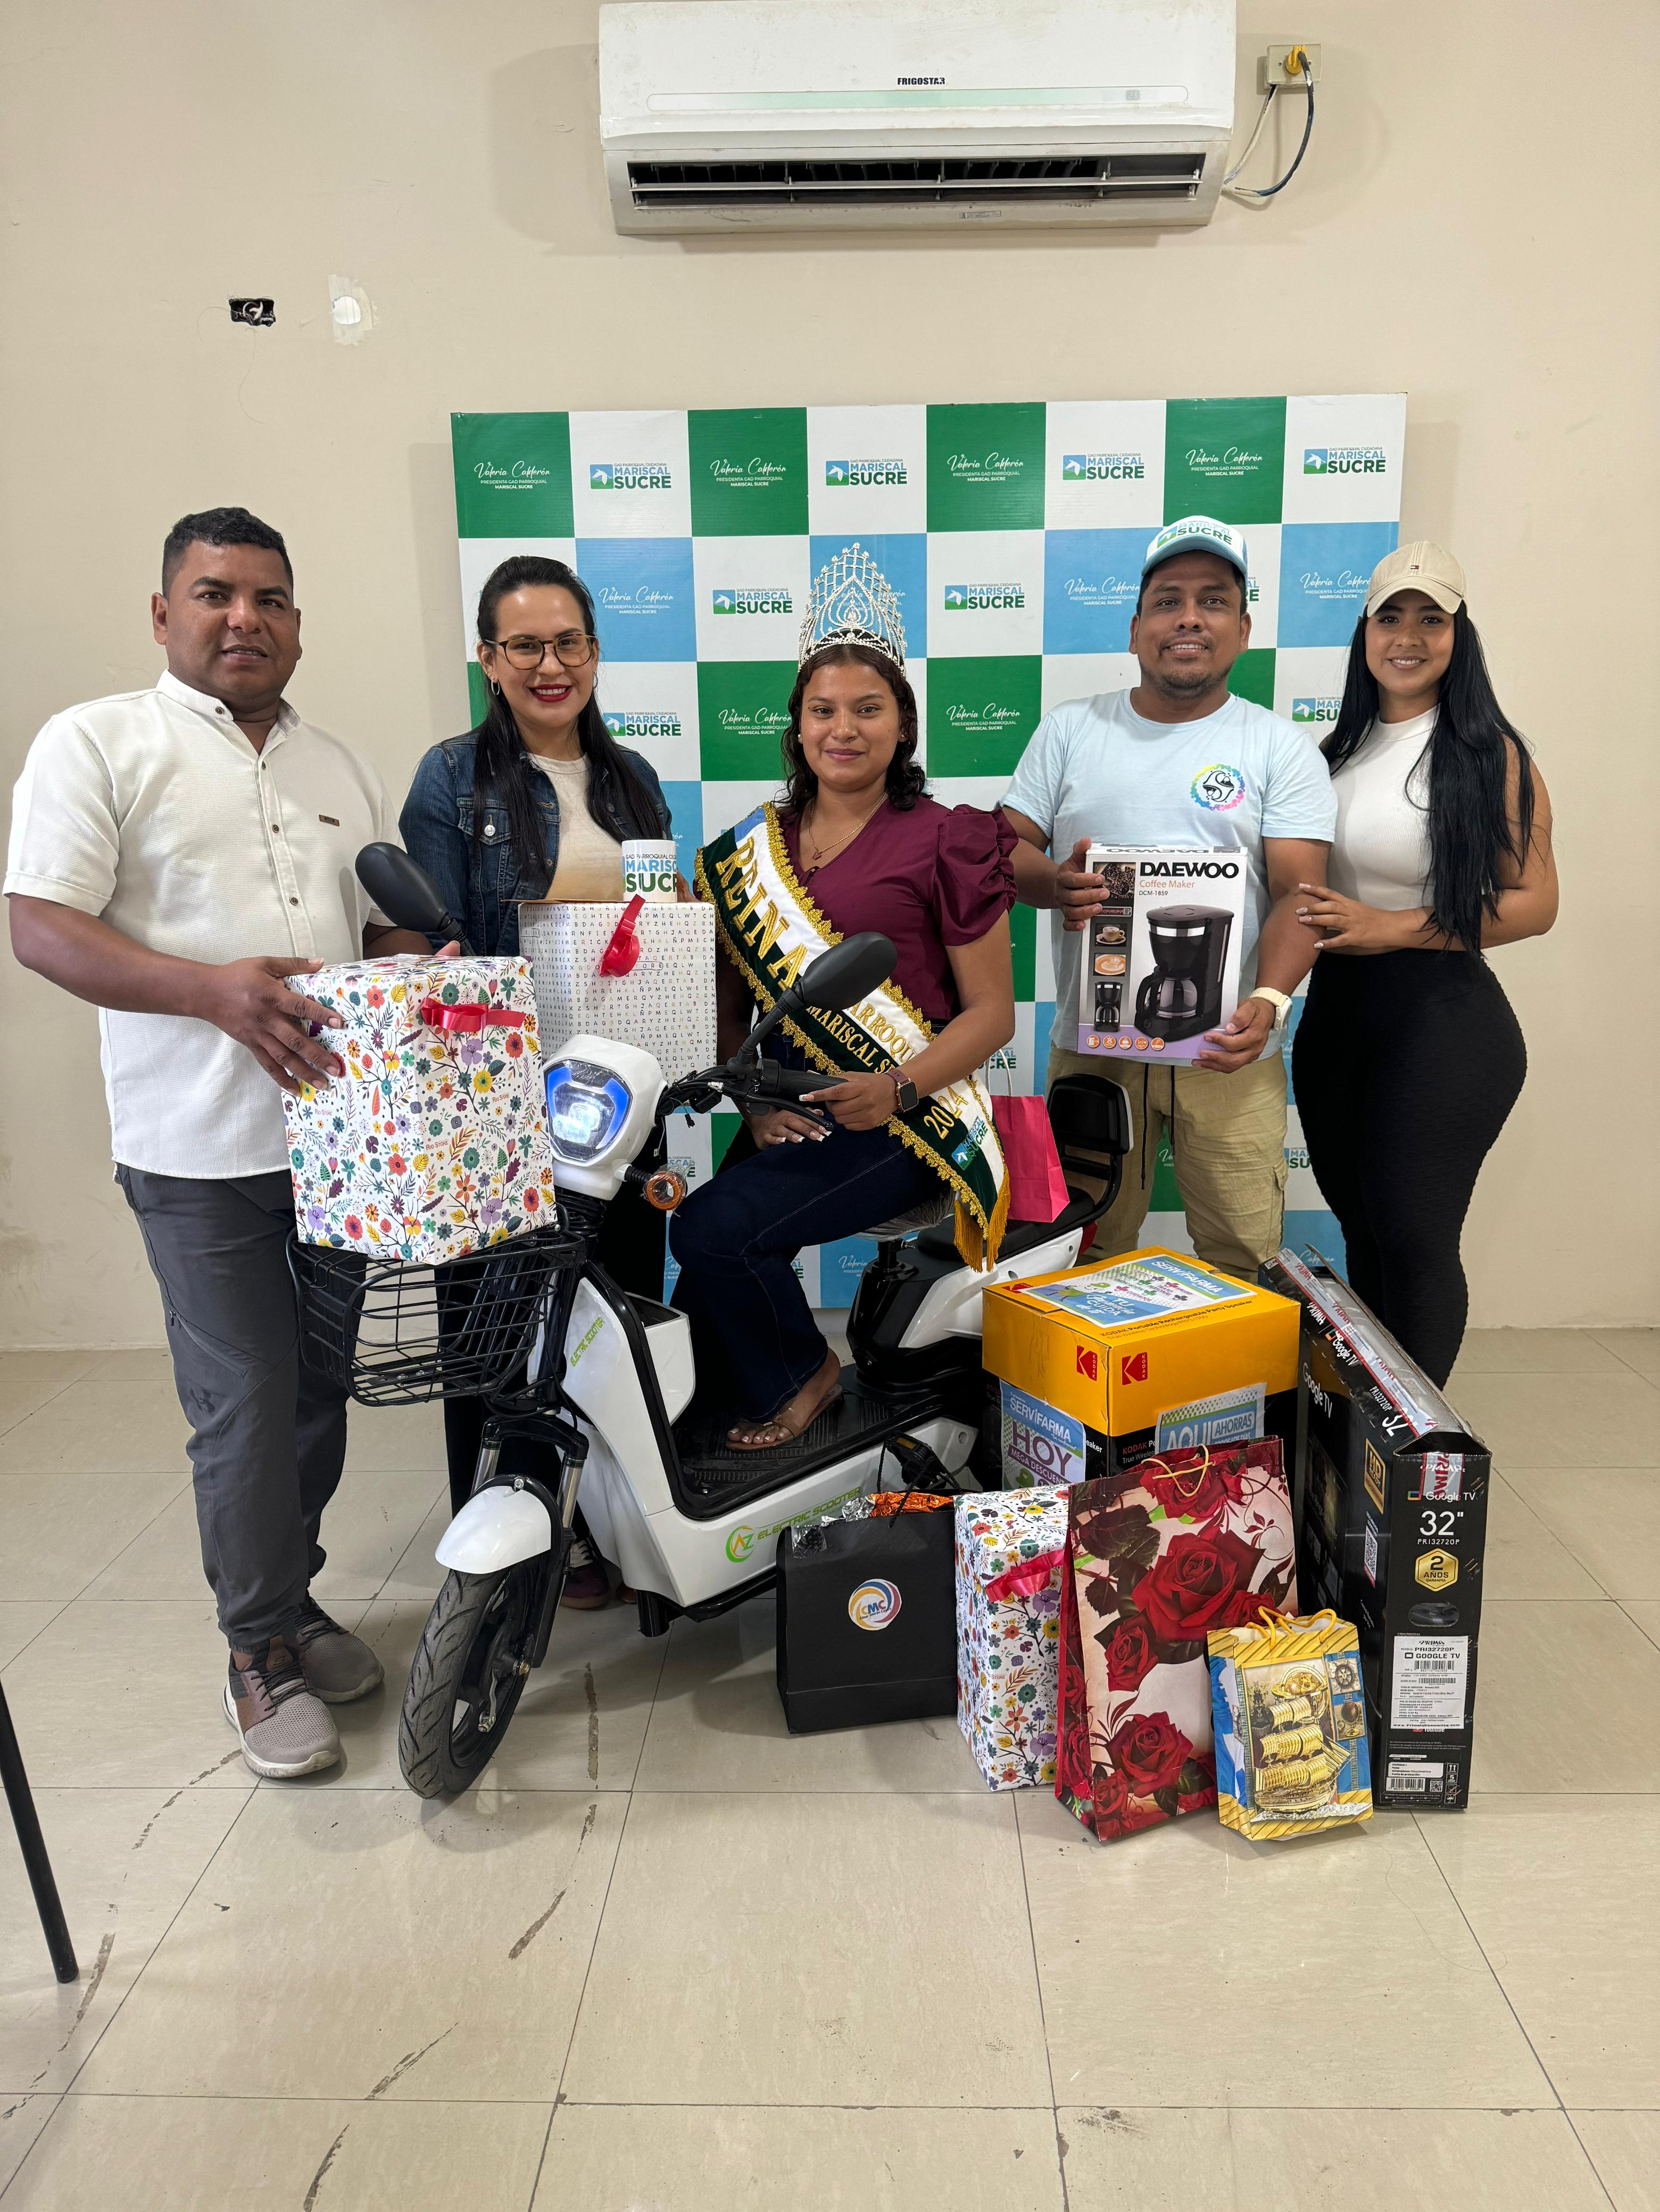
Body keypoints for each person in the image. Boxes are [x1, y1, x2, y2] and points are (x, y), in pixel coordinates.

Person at [5, 508, 441, 1780]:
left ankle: (291, 1600)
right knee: (245, 1399)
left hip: (341, 1148)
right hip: (196, 1148)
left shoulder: (337, 766)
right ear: (164, 613)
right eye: (214, 593)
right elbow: (41, 926)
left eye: (269, 598)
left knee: (318, 1389)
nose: (244, 618)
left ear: (297, 621)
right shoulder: (97, 742)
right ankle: (255, 1648)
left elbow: (374, 929)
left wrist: (421, 968)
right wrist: (213, 993)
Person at [674, 544, 1016, 1449]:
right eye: (823, 710)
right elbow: (733, 1008)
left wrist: (896, 1088)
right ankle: (705, 1432)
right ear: (796, 728)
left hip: (905, 1119)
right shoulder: (750, 849)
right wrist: (751, 1103)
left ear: (904, 725)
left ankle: (807, 1374)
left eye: (869, 709)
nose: (844, 729)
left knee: (712, 1231)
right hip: (788, 1110)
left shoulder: (950, 838)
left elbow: (992, 1013)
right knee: (702, 1271)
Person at [401, 554, 677, 1598]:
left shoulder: (632, 779)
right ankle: (506, 1545)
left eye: (568, 644)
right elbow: (425, 938)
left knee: (614, 1312)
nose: (549, 665)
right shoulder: (450, 778)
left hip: (624, 1095)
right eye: (525, 645)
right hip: (502, 1102)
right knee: (492, 1328)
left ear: (595, 653)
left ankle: (610, 1527)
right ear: (489, 658)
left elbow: (659, 929)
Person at [1002, 516, 1337, 1279]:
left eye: (1213, 601)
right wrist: (1054, 884)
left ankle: (1233, 1367)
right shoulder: (1071, 730)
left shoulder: (1279, 747)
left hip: (1231, 1048)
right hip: (1094, 1043)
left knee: (1243, 1255)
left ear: (1243, 630)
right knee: (1077, 1249)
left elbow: (1300, 893)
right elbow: (1002, 852)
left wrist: (1271, 1001)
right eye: (1168, 601)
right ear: (1135, 630)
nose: (1189, 618)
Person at [1290, 542, 1556, 1385]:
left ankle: (1419, 1443)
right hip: (1338, 1020)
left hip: (1444, 1025)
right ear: (1365, 632)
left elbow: (1535, 903)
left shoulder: (1488, 753)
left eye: (1431, 619)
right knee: (1364, 1232)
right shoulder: (1333, 752)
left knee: (1415, 1237)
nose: (1408, 637)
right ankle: (1378, 1424)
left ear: (1458, 635)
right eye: (1391, 618)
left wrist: (1393, 926)